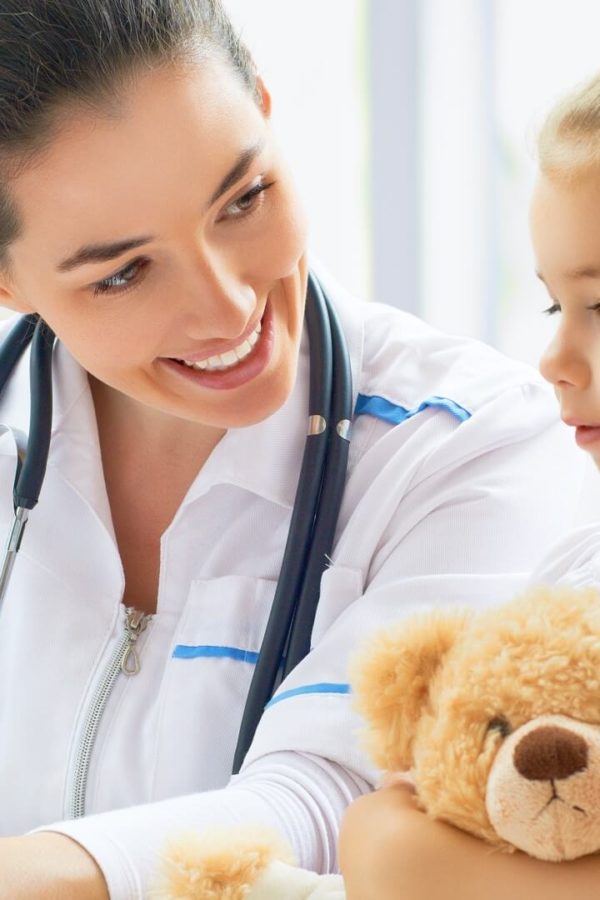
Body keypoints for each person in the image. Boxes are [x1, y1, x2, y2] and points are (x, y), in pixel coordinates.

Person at [0, 2, 584, 898]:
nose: (229, 308)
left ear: (267, 110)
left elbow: (326, 807)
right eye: (123, 272)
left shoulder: (472, 442)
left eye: (244, 199)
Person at [339, 70, 600, 900]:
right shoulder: (576, 577)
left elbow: (394, 845)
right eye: (557, 308)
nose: (553, 365)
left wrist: (397, 856)